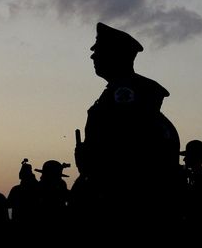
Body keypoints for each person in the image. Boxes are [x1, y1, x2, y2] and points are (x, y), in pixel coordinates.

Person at [74, 22, 180, 225]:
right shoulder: (120, 92)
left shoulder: (127, 96)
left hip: (124, 206)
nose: (93, 56)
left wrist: (91, 162)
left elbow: (125, 156)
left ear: (115, 55)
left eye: (98, 51)